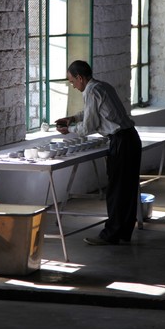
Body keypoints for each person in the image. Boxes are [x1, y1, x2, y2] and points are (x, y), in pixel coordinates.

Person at [55, 60, 142, 245]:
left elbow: (88, 127)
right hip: (130, 138)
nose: (73, 86)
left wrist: (69, 128)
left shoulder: (92, 91)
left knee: (116, 190)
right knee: (127, 189)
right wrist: (73, 117)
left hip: (121, 141)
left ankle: (110, 235)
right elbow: (91, 112)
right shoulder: (102, 86)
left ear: (80, 78)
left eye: (72, 82)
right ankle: (123, 232)